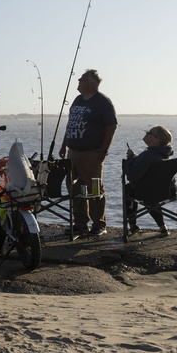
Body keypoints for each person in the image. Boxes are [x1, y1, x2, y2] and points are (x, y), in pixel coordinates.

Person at [58, 69, 118, 236]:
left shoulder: (102, 102)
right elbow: (71, 124)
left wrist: (104, 150)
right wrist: (64, 145)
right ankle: (80, 223)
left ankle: (99, 224)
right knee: (74, 188)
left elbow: (111, 126)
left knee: (94, 188)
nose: (78, 80)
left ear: (91, 83)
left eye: (82, 79)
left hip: (91, 153)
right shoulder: (77, 100)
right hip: (73, 152)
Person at [124, 125, 174, 236]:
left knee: (129, 189)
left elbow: (132, 176)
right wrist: (137, 159)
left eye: (149, 132)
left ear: (157, 140)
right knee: (150, 194)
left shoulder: (147, 155)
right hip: (168, 191)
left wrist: (130, 159)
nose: (146, 133)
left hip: (149, 192)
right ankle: (162, 227)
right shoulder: (165, 154)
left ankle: (132, 226)